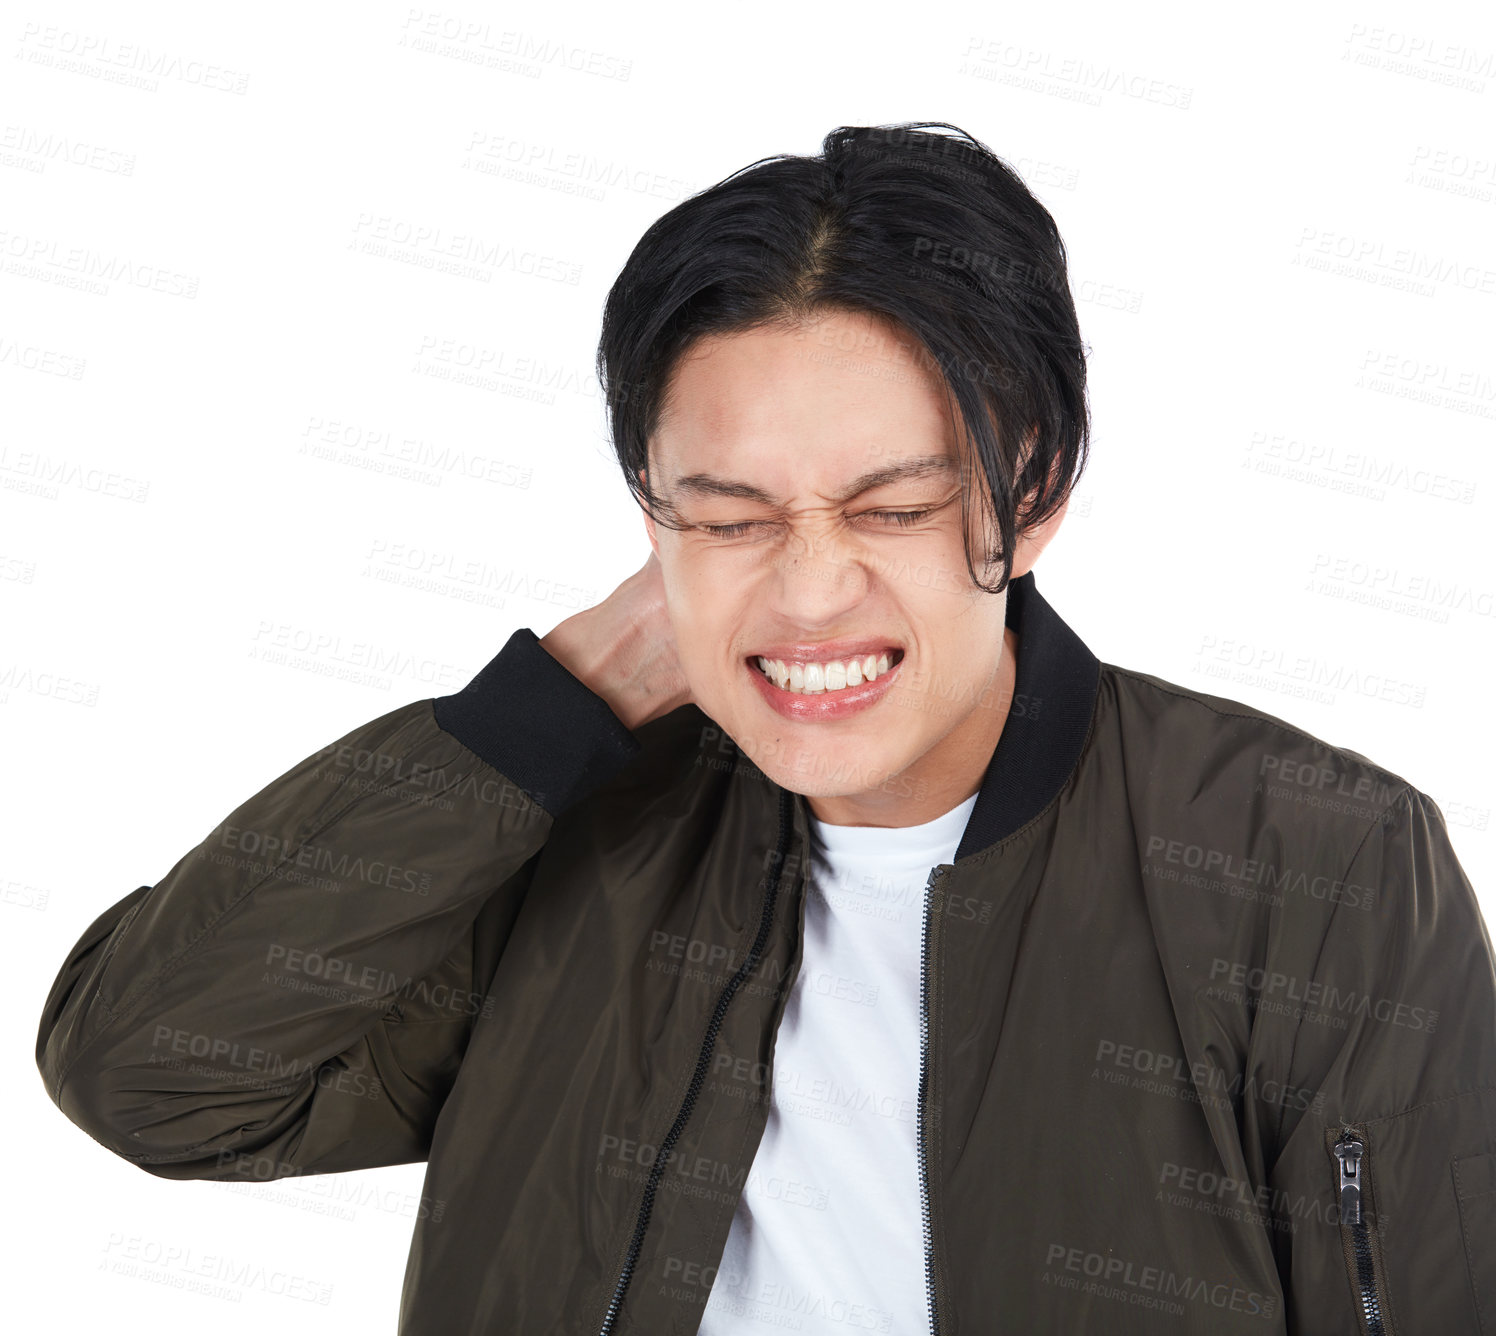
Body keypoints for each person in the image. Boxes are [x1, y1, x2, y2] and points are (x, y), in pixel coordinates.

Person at [36, 121, 1496, 1334]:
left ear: (1033, 490)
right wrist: (565, 699)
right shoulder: (572, 841)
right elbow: (153, 1077)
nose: (808, 589)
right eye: (729, 516)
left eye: (894, 509)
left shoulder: (1317, 862)